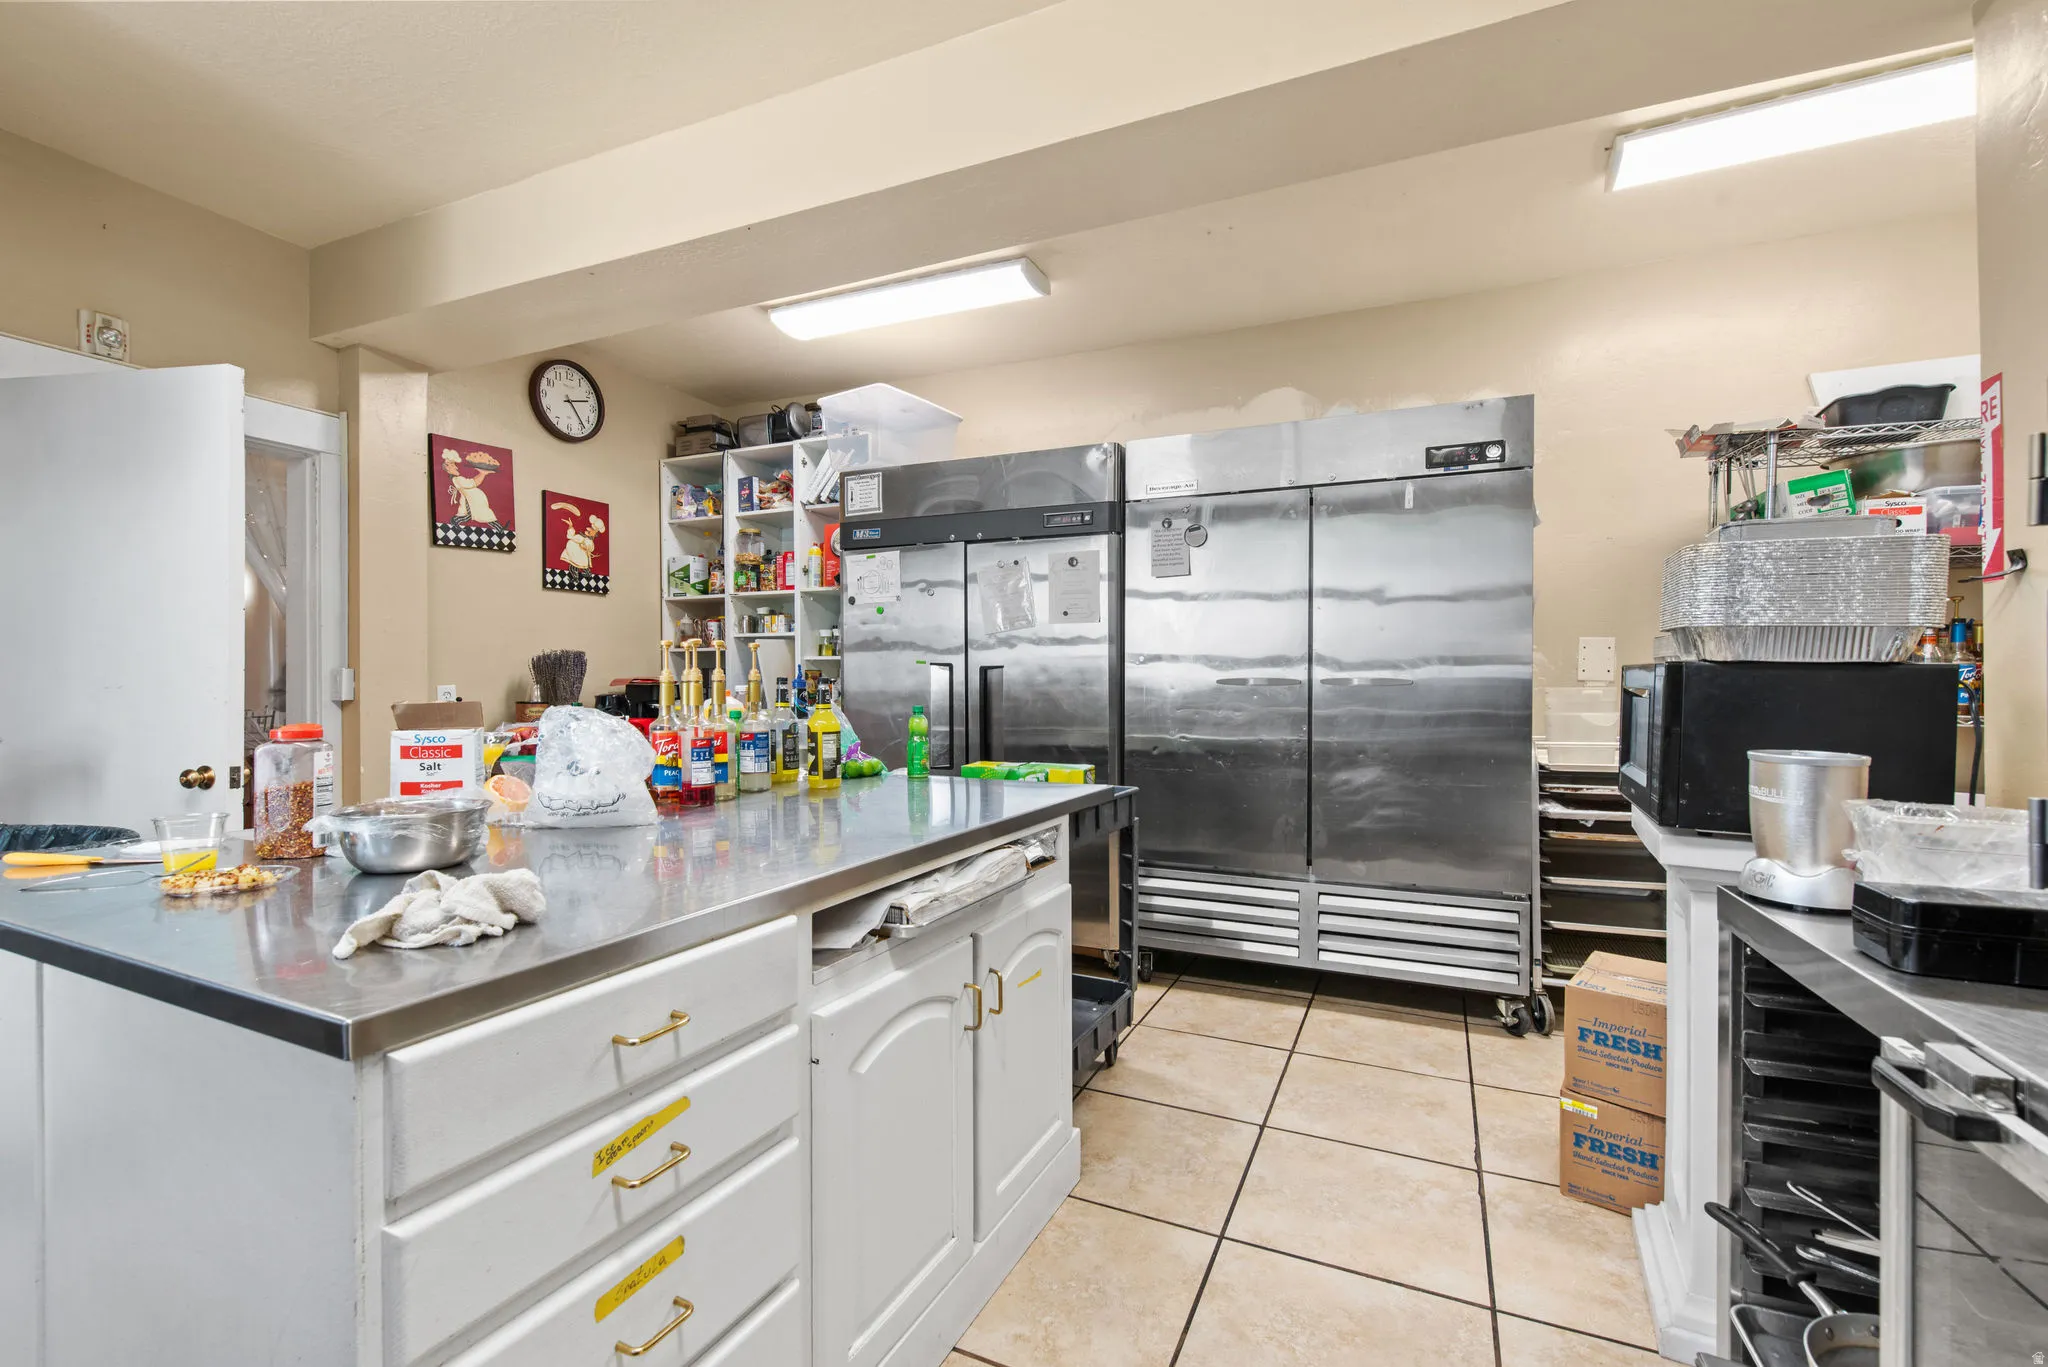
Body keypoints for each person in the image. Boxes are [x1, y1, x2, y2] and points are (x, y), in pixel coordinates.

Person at [441, 450, 502, 525]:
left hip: (471, 501)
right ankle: (454, 521)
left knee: (473, 515)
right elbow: (473, 483)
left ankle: (499, 528)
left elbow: (472, 481)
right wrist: (483, 474)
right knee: (483, 514)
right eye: (453, 466)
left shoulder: (458, 479)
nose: (456, 467)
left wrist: (483, 473)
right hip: (472, 501)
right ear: (448, 468)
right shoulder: (458, 479)